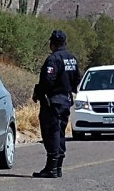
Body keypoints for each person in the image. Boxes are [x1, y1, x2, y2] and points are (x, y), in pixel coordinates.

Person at [32, 29, 81, 178]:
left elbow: (48, 80)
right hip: (65, 100)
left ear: (52, 43)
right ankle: (58, 166)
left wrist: (39, 93)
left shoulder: (54, 59)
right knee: (60, 132)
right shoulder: (71, 58)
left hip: (52, 101)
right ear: (64, 42)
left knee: (51, 132)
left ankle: (51, 167)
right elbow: (77, 80)